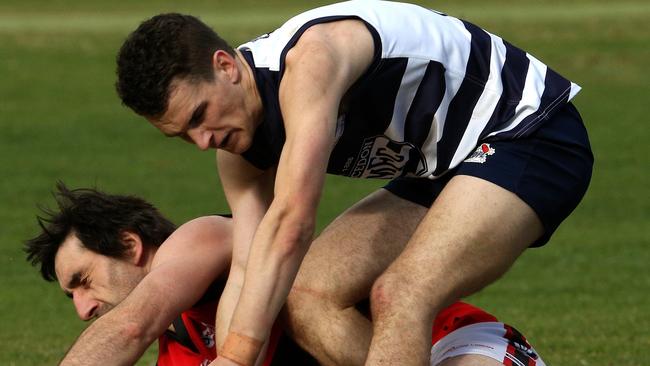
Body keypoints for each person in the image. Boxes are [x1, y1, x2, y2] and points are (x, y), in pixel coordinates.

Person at [115, 1, 593, 365]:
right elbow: (249, 262)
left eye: (200, 115)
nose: (203, 141)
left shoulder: (310, 63)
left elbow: (292, 222)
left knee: (401, 293)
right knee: (307, 297)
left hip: (528, 133)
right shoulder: (238, 148)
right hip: (442, 167)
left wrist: (238, 358)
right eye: (183, 135)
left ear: (225, 66)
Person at [26, 184, 547, 366]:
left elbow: (128, 327)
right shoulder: (180, 350)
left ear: (129, 245)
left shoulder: (205, 239)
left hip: (454, 346)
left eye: (82, 280)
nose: (83, 308)